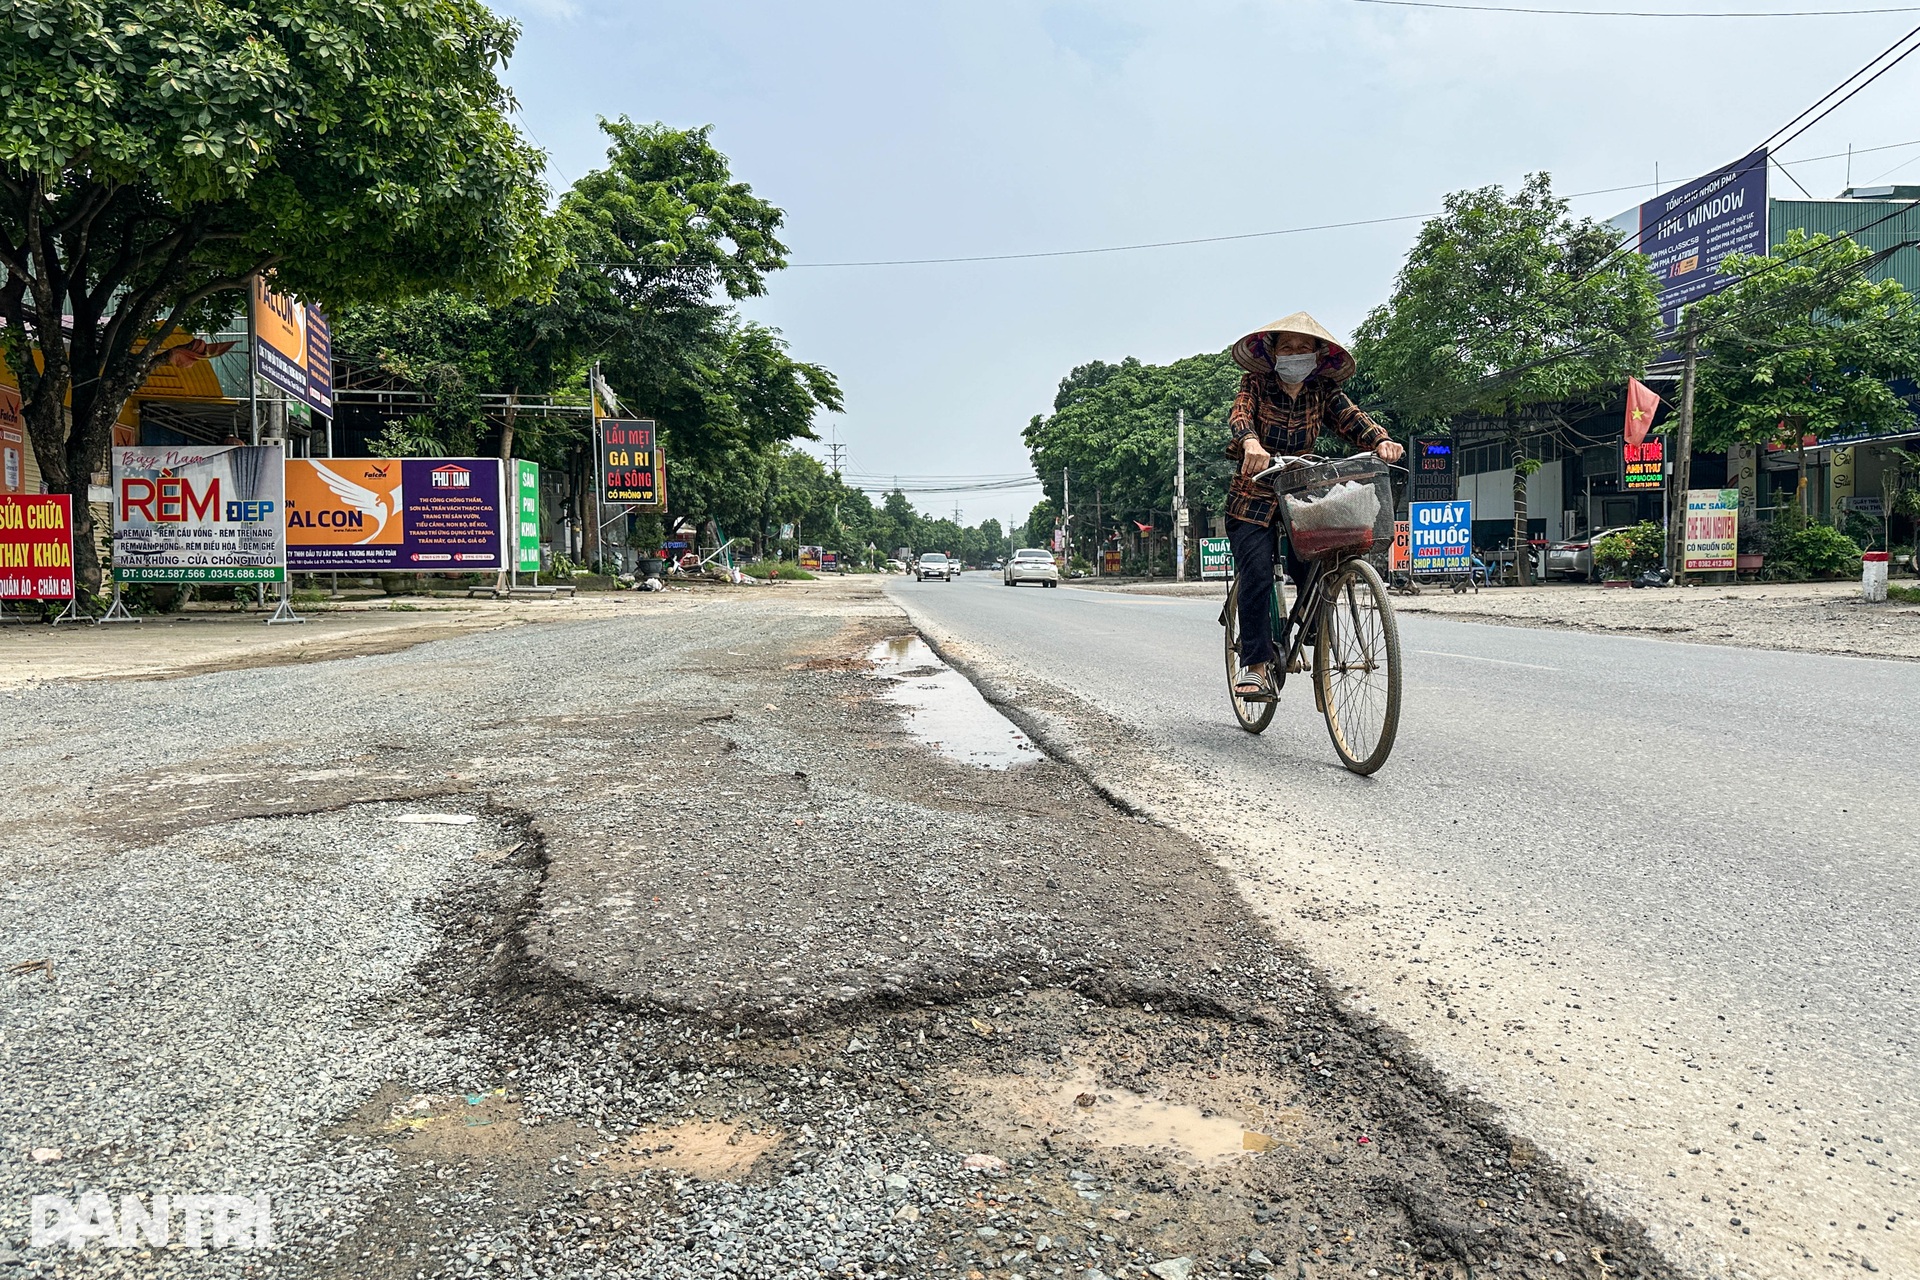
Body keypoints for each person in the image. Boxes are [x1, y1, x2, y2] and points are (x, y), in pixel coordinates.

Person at [1225, 313, 1403, 698]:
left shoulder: (1322, 390)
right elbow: (1240, 414)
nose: (1294, 355)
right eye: (1286, 348)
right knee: (1257, 572)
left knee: (1317, 559)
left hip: (1301, 493)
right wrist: (1251, 444)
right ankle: (1255, 664)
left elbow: (1351, 418)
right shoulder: (1255, 383)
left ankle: (1311, 631)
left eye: (1302, 348)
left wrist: (1380, 440)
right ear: (1272, 353)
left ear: (1317, 355)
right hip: (1252, 497)